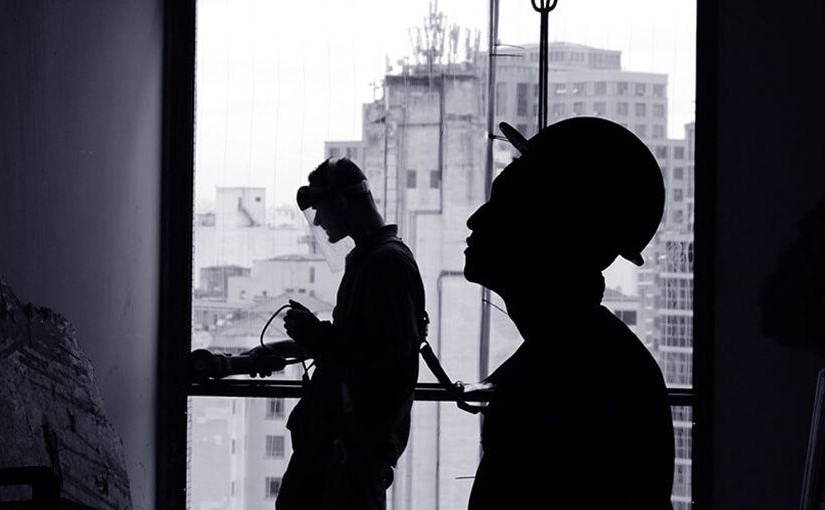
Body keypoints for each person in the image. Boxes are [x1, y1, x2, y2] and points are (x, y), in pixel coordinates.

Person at [463, 117, 674, 509]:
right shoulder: (590, 361)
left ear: (551, 232)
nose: (476, 219)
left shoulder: (563, 379)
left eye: (504, 205)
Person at [245, 157, 426, 510]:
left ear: (341, 203)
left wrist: (314, 334)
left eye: (319, 210)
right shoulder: (373, 260)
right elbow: (356, 343)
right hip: (336, 455)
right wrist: (291, 345)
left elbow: (381, 356)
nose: (318, 222)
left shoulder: (386, 264)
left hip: (349, 461)